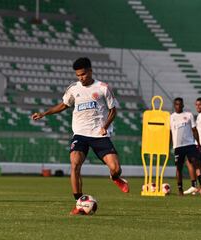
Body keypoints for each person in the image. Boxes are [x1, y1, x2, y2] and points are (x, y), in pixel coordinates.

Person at [31, 57, 129, 215]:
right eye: (78, 75)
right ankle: (78, 203)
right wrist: (44, 113)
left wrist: (104, 126)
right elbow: (64, 105)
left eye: (83, 74)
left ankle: (115, 177)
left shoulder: (103, 88)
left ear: (90, 71)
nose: (81, 78)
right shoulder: (73, 88)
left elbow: (113, 110)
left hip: (99, 135)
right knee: (75, 164)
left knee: (116, 168)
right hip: (80, 134)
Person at [170, 98, 201, 196]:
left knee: (195, 163)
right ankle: (180, 189)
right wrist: (169, 145)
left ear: (183, 105)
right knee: (179, 168)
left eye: (180, 104)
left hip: (190, 144)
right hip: (178, 147)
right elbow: (170, 132)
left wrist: (198, 143)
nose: (178, 106)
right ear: (174, 105)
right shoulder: (171, 117)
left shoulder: (189, 115)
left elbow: (194, 130)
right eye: (176, 104)